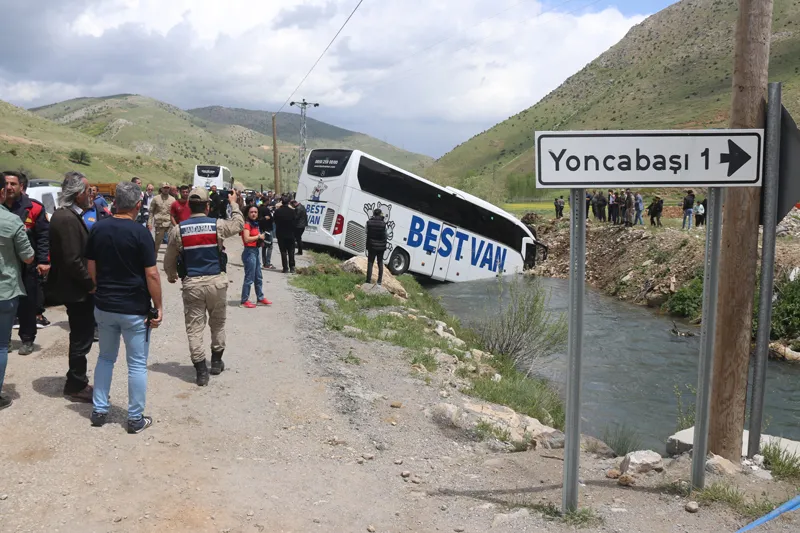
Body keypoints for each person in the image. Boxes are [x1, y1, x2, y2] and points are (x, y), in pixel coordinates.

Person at [85, 182, 163, 433]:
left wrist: (97, 289)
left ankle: (99, 410)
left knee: (105, 358)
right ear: (138, 205)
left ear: (115, 202)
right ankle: (134, 418)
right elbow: (152, 275)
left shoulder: (98, 228)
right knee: (137, 364)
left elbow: (91, 266)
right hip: (133, 308)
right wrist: (158, 305)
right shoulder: (140, 233)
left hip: (105, 305)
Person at [163, 188, 243, 386]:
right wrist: (233, 203)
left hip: (192, 285)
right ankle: (216, 362)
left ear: (189, 206)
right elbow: (239, 224)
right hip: (216, 282)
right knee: (218, 324)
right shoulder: (217, 225)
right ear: (207, 206)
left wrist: (172, 275)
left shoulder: (178, 229)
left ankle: (201, 372)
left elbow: (169, 258)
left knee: (195, 328)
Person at [47, 171, 96, 402]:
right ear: (78, 194)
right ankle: (76, 383)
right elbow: (72, 259)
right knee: (81, 336)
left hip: (75, 287)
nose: (90, 195)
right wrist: (90, 284)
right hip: (77, 290)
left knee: (81, 334)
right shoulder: (66, 218)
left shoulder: (68, 215)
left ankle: (76, 378)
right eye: (87, 191)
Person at [3, 171, 49, 356]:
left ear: (20, 186)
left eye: (13, 184)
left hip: (28, 264)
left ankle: (27, 339)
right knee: (4, 302)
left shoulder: (34, 208)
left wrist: (44, 261)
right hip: (5, 264)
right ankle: (4, 339)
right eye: (6, 184)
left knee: (28, 303)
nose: (9, 187)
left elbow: (44, 237)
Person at [0, 173, 35, 411]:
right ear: (2, 192)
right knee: (2, 346)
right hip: (5, 291)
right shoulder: (12, 222)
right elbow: (28, 256)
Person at [240, 206, 272, 308]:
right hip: (249, 253)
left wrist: (260, 241)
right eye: (251, 212)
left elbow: (253, 238)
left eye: (255, 212)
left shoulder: (255, 224)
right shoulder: (247, 224)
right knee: (249, 278)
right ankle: (244, 300)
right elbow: (246, 239)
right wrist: (258, 237)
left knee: (258, 277)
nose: (254, 214)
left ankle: (260, 298)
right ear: (248, 213)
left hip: (255, 251)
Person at [148, 182, 175, 253]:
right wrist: (149, 222)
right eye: (164, 188)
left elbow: (174, 213)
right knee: (156, 245)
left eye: (167, 188)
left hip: (169, 224)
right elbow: (151, 212)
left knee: (172, 244)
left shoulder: (172, 199)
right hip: (159, 224)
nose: (166, 190)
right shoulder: (156, 198)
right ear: (161, 189)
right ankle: (153, 261)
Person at [273, 195, 297, 274]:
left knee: (283, 251)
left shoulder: (277, 211)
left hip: (280, 233)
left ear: (281, 202)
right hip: (290, 233)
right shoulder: (292, 211)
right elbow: (295, 223)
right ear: (289, 202)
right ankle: (292, 267)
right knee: (291, 251)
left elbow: (275, 221)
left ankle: (285, 268)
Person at [365, 208, 388, 285]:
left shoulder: (369, 222)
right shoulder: (384, 224)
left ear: (374, 214)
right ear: (380, 214)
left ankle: (368, 280)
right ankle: (379, 281)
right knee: (380, 262)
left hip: (371, 245)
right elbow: (386, 235)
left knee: (370, 262)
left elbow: (366, 232)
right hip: (381, 247)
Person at [258, 198, 275, 269]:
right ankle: (267, 263)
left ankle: (265, 262)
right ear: (267, 201)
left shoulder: (259, 209)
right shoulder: (266, 209)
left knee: (264, 246)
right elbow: (271, 219)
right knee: (270, 246)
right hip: (267, 229)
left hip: (261, 229)